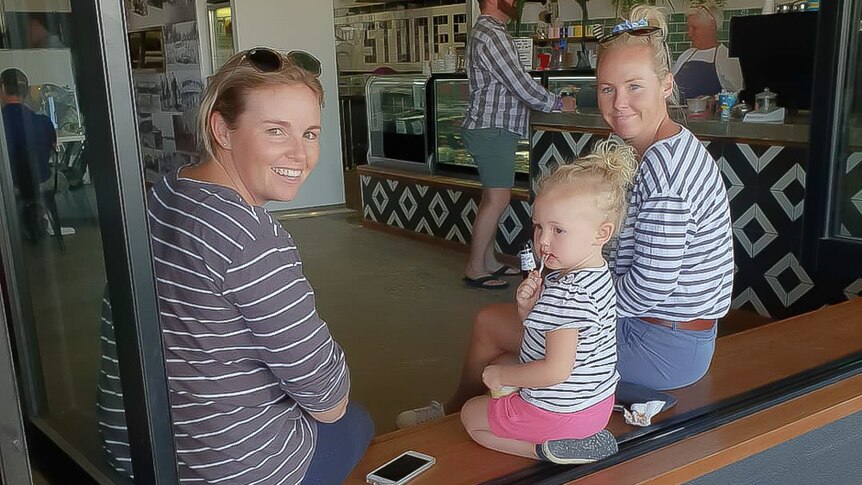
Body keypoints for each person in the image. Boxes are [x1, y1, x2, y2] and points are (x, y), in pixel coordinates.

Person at [399, 5, 733, 431]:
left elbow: (650, 288)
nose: (619, 103)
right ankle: (473, 424)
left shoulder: (665, 174)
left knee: (490, 326)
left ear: (666, 85)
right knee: (508, 359)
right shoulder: (664, 148)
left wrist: (563, 305)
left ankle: (445, 420)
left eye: (635, 87)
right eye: (608, 89)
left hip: (663, 345)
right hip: (664, 334)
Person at [147, 47, 373, 484]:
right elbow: (327, 397)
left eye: (310, 134)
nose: (299, 154)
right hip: (230, 470)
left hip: (143, 448)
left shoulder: (166, 192)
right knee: (356, 420)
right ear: (222, 130)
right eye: (275, 131)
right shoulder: (251, 239)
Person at [460, 139, 637, 463]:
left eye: (558, 230)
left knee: (472, 415)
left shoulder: (566, 293)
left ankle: (546, 450)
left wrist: (503, 377)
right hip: (595, 408)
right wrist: (530, 312)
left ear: (602, 233)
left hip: (561, 414)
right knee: (500, 370)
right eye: (539, 226)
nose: (542, 241)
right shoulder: (598, 275)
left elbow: (555, 370)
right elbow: (569, 340)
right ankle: (568, 438)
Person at [462, 0, 576, 290]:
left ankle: (487, 260)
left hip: (492, 129)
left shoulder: (488, 31)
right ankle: (475, 267)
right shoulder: (492, 34)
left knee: (492, 199)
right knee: (497, 200)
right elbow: (520, 83)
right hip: (493, 129)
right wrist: (558, 103)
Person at [1, 68, 60, 240]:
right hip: (41, 182)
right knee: (60, 178)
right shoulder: (43, 121)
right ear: (26, 92)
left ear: (2, 88)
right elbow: (52, 149)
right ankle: (41, 217)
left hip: (11, 187)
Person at [672, 2, 743, 100]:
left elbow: (737, 94)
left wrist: (713, 99)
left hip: (710, 115)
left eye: (694, 28)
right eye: (688, 28)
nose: (689, 33)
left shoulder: (725, 56)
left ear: (712, 26)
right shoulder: (686, 56)